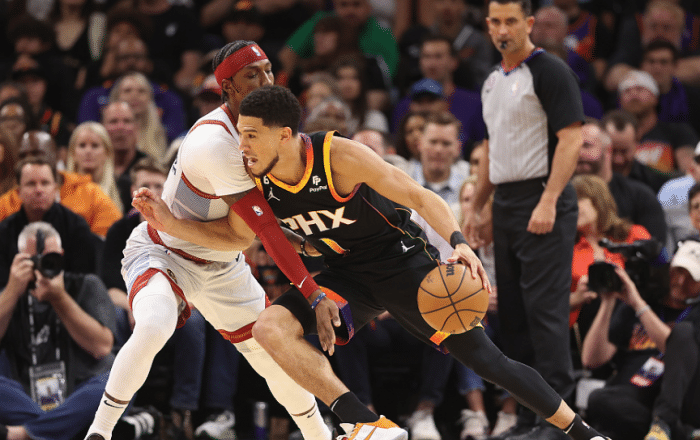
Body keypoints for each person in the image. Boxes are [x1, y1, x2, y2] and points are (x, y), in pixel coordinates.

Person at [134, 84, 611, 440]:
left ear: (285, 135)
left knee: (489, 362)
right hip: (347, 276)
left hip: (404, 265)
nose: (242, 147)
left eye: (252, 136)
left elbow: (418, 196)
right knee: (269, 328)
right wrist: (170, 225)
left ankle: (584, 433)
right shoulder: (257, 180)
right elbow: (236, 237)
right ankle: (364, 424)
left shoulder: (337, 156)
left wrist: (459, 243)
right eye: (240, 135)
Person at [83, 40, 340, 440]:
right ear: (228, 88)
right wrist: (312, 292)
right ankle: (98, 432)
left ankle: (319, 436)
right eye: (252, 75)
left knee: (276, 356)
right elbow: (260, 231)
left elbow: (253, 232)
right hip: (165, 253)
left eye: (268, 70)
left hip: (222, 265)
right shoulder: (215, 143)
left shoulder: (271, 132)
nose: (266, 80)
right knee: (155, 324)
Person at [464, 0, 583, 434]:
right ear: (487, 25)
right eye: (495, 22)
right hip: (507, 202)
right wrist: (478, 206)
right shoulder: (492, 80)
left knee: (545, 315)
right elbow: (491, 149)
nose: (502, 30)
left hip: (542, 196)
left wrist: (549, 200)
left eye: (511, 21)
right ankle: (529, 414)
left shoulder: (549, 71)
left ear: (528, 23)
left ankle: (561, 423)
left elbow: (572, 138)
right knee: (513, 316)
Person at [0, 222, 117, 440]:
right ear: (19, 259)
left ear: (61, 256)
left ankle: (26, 434)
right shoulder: (8, 294)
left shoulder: (87, 284)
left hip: (78, 393)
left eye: (50, 258)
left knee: (120, 379)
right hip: (24, 395)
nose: (41, 265)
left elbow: (102, 347)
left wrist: (59, 298)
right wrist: (12, 291)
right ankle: (60, 429)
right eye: (33, 259)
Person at [581, 240, 700, 440]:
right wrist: (608, 303)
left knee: (683, 332)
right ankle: (682, 434)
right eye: (678, 272)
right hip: (630, 401)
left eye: (691, 277)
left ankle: (665, 424)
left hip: (673, 401)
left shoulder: (693, 314)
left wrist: (638, 305)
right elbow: (591, 360)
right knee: (599, 400)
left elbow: (679, 352)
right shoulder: (641, 302)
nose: (680, 281)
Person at [0, 131, 122, 237]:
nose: (29, 162)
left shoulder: (91, 194)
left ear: (57, 156)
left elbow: (110, 240)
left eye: (37, 154)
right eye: (23, 156)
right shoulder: (8, 201)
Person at [0, 156, 100, 284]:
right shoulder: (4, 231)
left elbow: (86, 282)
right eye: (31, 184)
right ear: (18, 191)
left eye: (45, 183)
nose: (39, 190)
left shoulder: (76, 226)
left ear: (55, 189)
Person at [574, 119, 668, 247]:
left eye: (586, 145)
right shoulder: (556, 196)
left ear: (608, 149)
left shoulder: (641, 196)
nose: (579, 152)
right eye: (573, 146)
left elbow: (655, 251)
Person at [65, 121, 123, 213]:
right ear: (73, 153)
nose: (88, 151)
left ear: (107, 152)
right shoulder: (60, 190)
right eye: (82, 145)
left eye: (95, 145)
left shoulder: (123, 187)